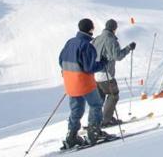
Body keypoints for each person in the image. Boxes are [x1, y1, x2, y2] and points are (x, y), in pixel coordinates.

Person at [58, 18, 108, 148]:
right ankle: (94, 132)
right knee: (96, 104)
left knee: (76, 109)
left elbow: (60, 60)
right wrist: (103, 63)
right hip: (84, 82)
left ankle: (71, 136)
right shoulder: (86, 46)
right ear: (90, 29)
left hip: (70, 82)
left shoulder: (70, 42)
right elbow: (89, 68)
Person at [92, 18, 136, 127]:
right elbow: (118, 56)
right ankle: (106, 120)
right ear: (114, 29)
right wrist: (128, 48)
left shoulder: (96, 39)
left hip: (95, 73)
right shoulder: (111, 40)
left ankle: (94, 120)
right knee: (113, 95)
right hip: (106, 74)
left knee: (100, 98)